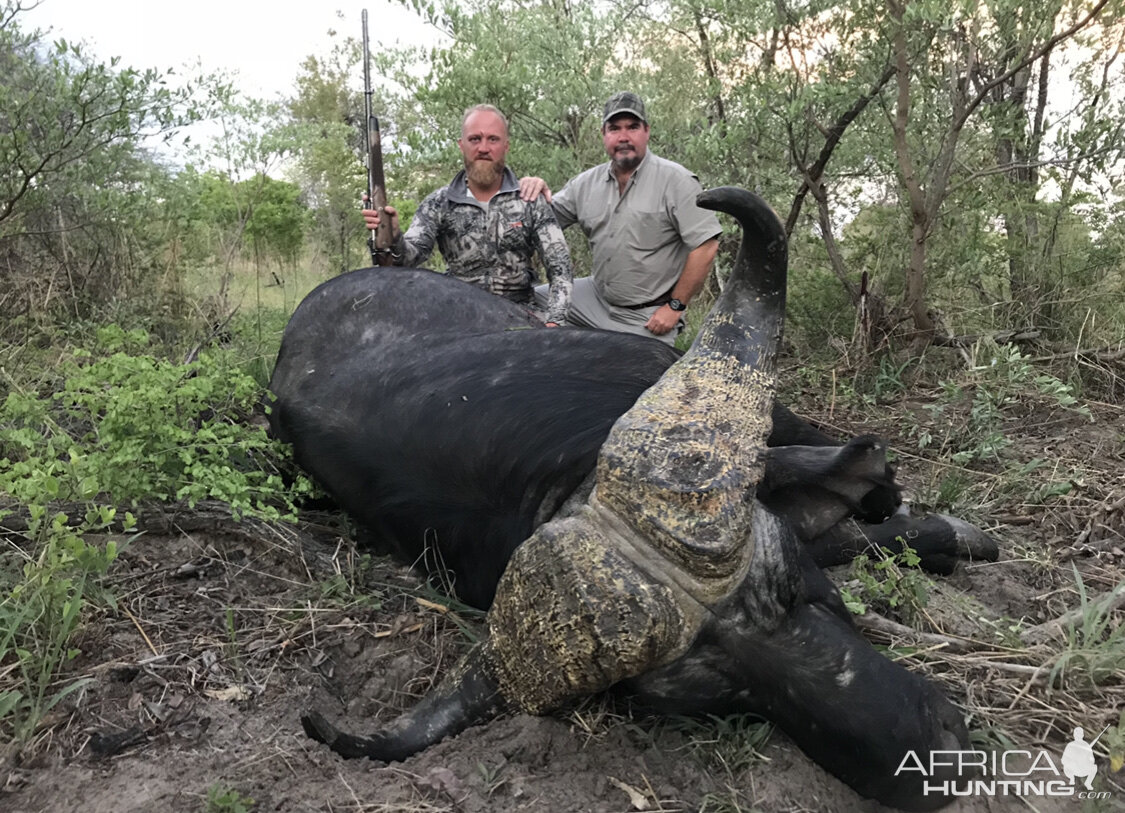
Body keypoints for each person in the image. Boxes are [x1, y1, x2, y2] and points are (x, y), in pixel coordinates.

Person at [527, 91, 721, 345]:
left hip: (646, 317)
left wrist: (675, 307)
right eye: (615, 128)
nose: (624, 137)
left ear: (647, 131)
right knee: (523, 301)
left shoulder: (677, 181)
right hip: (595, 300)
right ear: (604, 135)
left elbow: (706, 245)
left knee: (637, 383)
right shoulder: (585, 184)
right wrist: (528, 190)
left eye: (632, 127)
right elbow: (538, 222)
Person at [363, 104, 572, 326]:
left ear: (506, 146)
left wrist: (555, 322)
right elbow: (408, 258)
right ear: (461, 145)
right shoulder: (438, 203)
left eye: (493, 139)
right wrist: (394, 236)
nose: (483, 147)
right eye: (475, 139)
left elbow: (561, 269)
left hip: (520, 316)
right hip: (457, 317)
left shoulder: (531, 200)